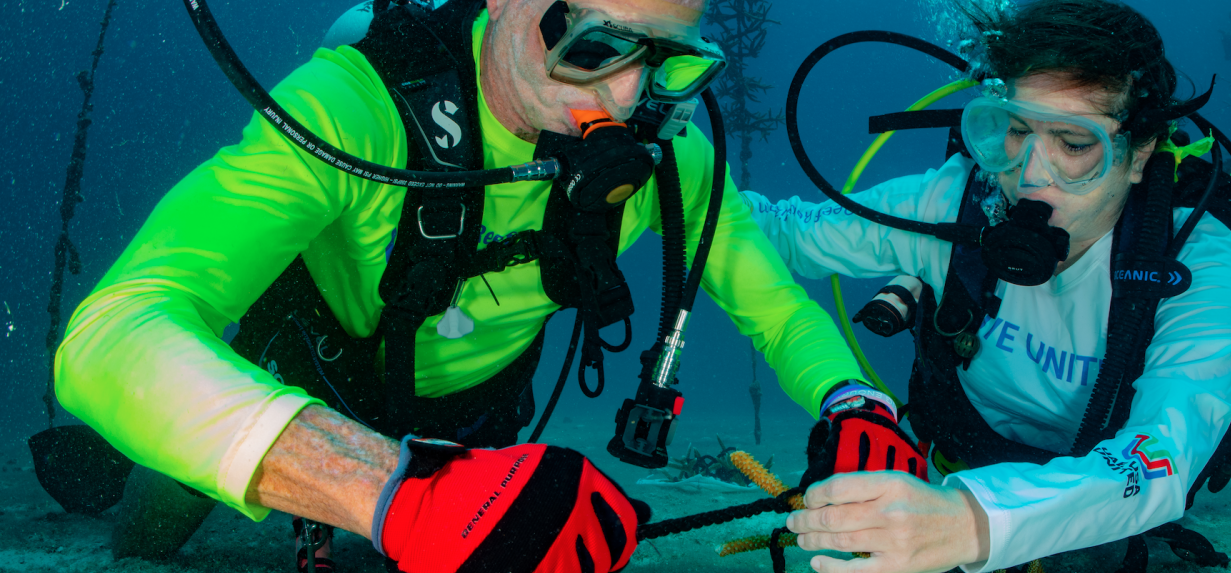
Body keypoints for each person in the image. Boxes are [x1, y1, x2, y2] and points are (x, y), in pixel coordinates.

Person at [50, 0, 901, 570]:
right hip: (300, 385)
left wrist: (857, 401)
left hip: (480, 428)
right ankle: (115, 476)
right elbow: (108, 336)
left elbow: (779, 310)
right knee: (142, 546)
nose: (627, 93)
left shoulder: (673, 158)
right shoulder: (355, 107)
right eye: (594, 45)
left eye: (671, 60)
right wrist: (386, 487)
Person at [744, 1, 1231, 572]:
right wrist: (672, 171)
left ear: (1137, 154)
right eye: (1015, 131)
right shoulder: (954, 204)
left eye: (1075, 144)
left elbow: (1165, 455)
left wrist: (969, 523)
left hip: (1094, 495)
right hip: (957, 461)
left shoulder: (1192, 261)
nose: (1032, 176)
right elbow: (779, 233)